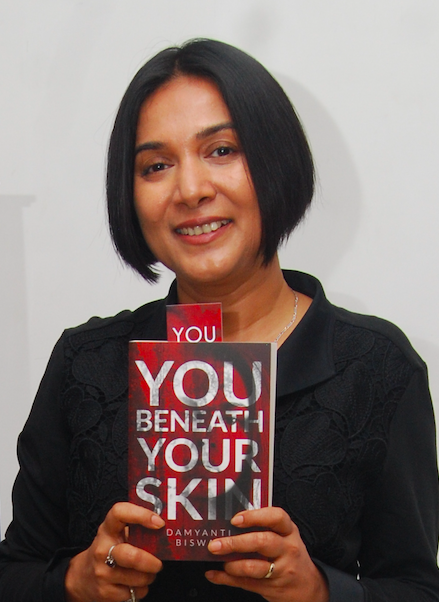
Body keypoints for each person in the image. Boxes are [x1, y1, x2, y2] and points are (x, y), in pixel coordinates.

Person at [0, 38, 438, 602]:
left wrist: (321, 591)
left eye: (222, 150)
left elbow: (416, 587)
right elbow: (13, 572)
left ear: (276, 159)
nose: (191, 190)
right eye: (156, 166)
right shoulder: (86, 364)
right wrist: (75, 581)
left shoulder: (376, 368)